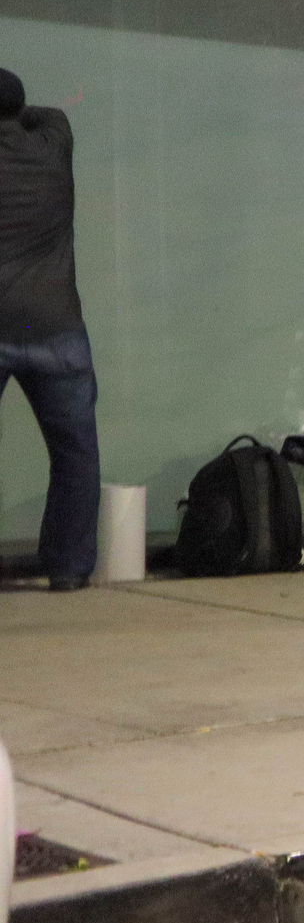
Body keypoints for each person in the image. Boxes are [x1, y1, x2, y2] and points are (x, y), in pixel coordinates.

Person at [0, 67, 97, 591]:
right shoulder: (53, 144)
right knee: (74, 452)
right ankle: (68, 567)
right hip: (55, 325)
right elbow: (45, 113)